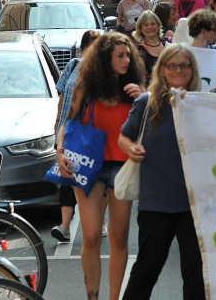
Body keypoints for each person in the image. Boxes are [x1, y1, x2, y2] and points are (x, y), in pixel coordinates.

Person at [55, 32, 145, 300]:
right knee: (92, 235)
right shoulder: (87, 84)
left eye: (128, 55)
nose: (127, 60)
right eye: (121, 55)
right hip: (88, 166)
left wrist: (144, 96)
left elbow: (154, 121)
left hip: (122, 168)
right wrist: (59, 153)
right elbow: (67, 121)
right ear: (106, 58)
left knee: (118, 238)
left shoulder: (134, 88)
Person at [119, 44, 205, 300]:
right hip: (155, 203)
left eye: (184, 65)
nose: (179, 70)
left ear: (192, 70)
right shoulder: (146, 102)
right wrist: (131, 148)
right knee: (147, 269)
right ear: (163, 70)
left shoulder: (202, 103)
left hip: (193, 206)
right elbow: (123, 137)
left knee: (195, 274)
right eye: (173, 65)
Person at [51, 31, 101, 245]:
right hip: (67, 128)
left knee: (92, 176)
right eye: (89, 44)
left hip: (88, 131)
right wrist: (57, 122)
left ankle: (99, 221)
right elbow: (62, 96)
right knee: (66, 176)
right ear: (83, 47)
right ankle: (64, 227)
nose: (92, 48)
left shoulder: (102, 72)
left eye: (96, 44)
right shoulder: (72, 65)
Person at [133, 11, 167, 81]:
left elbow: (178, 59)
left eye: (153, 24)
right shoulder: (139, 52)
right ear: (140, 29)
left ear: (158, 25)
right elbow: (140, 79)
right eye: (146, 25)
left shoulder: (168, 43)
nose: (150, 27)